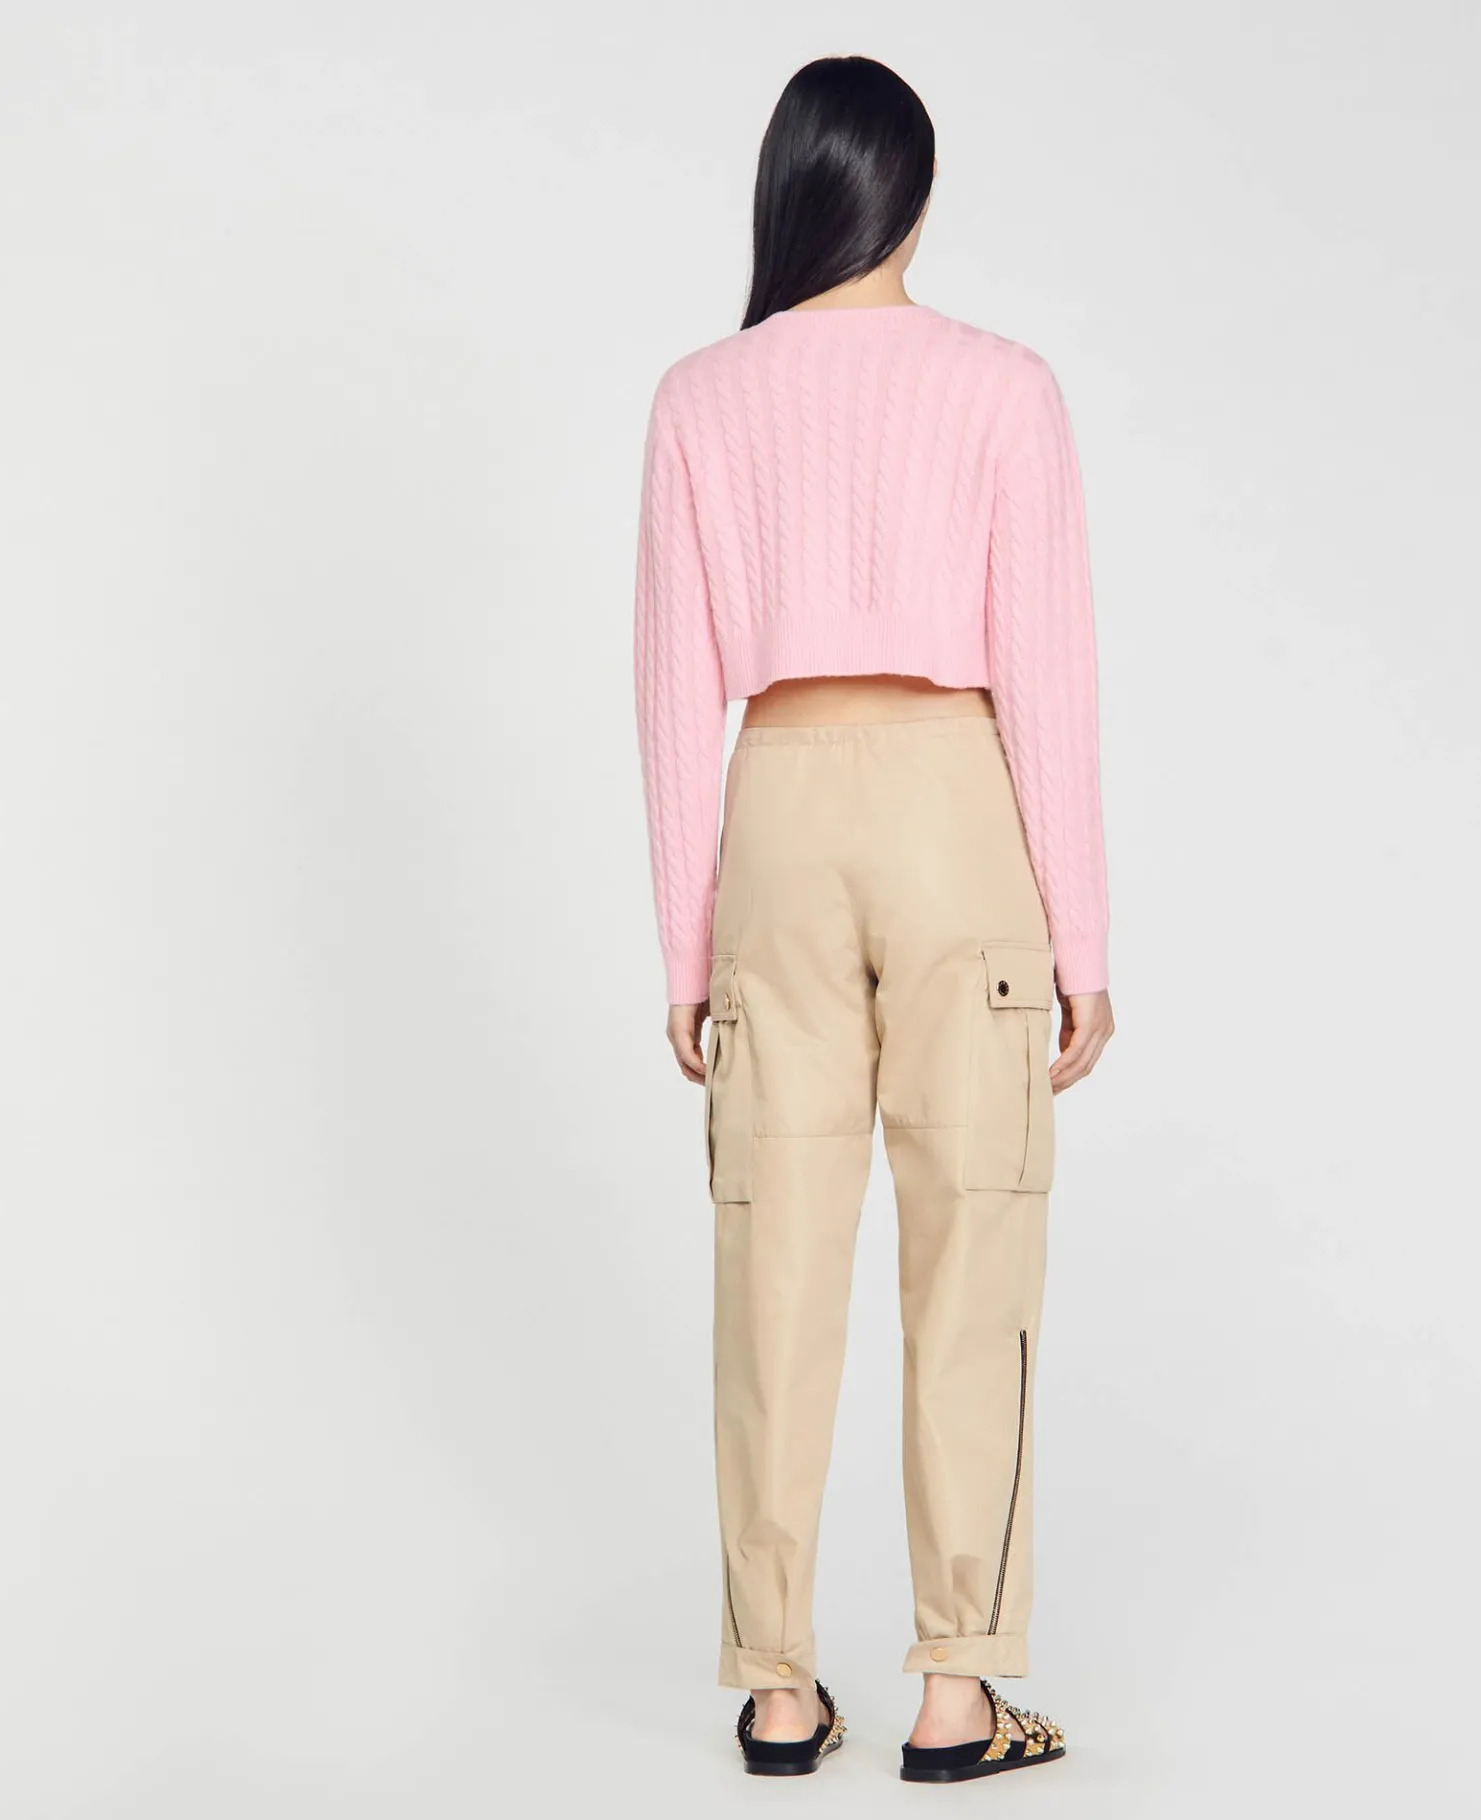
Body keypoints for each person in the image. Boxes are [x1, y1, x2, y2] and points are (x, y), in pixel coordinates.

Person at [631, 54, 1114, 1783]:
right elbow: (1047, 669)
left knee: (771, 1250)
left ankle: (777, 1687)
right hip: (953, 807)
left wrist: (684, 948)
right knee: (973, 1241)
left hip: (776, 810)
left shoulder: (702, 395)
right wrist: (1084, 941)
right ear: (914, 194)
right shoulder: (1003, 386)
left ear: (790, 192)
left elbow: (671, 687)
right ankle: (957, 1694)